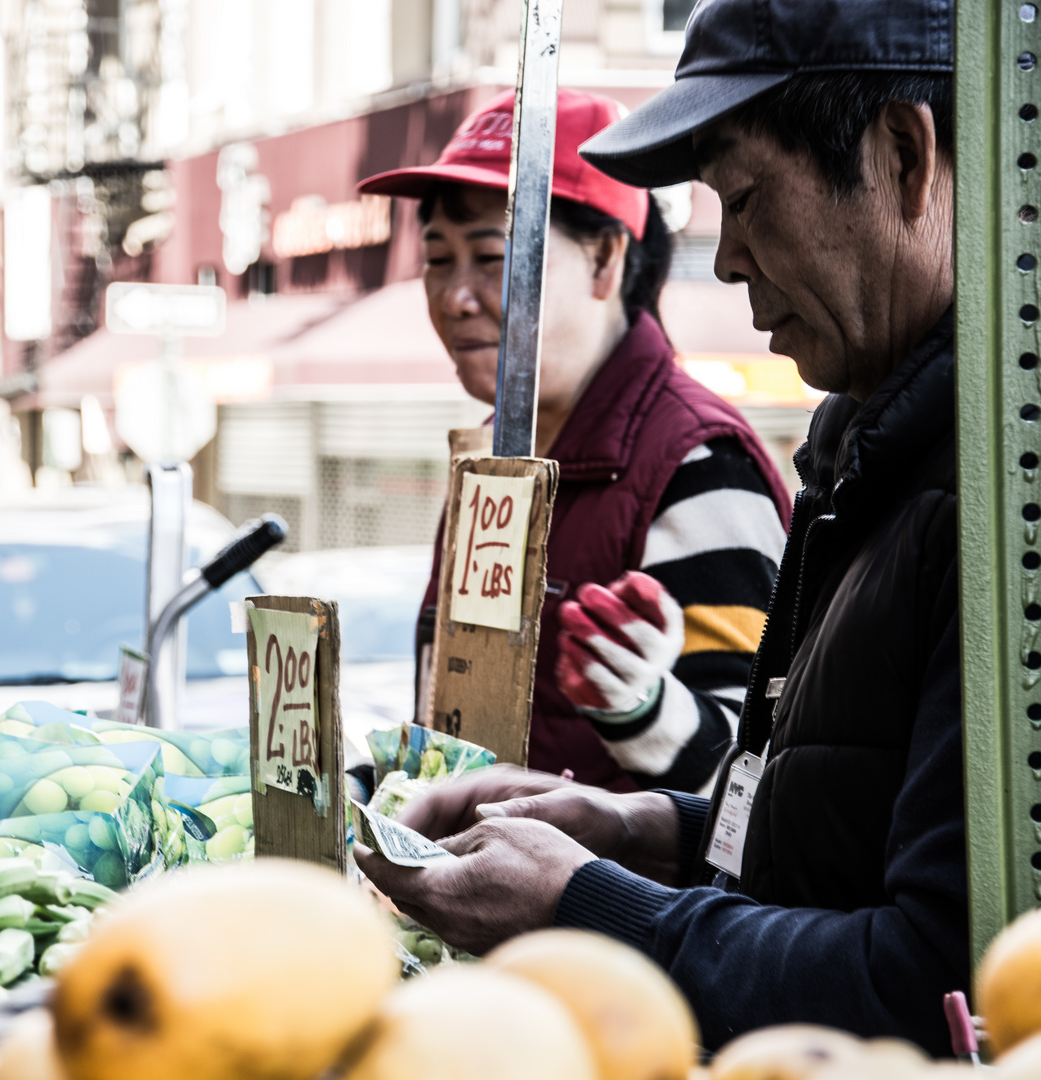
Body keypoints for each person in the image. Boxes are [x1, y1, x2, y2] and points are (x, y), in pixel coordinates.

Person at [356, 0, 964, 1054]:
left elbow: (935, 977)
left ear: (904, 156)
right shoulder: (859, 465)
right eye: (438, 259)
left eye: (747, 199)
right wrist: (631, 829)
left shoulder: (971, 505)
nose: (727, 263)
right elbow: (796, 829)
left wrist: (589, 901)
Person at [358, 89, 789, 795]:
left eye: (492, 257)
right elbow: (460, 737)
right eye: (437, 259)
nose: (455, 296)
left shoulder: (698, 465)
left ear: (605, 261)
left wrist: (641, 708)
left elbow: (750, 785)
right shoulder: (494, 464)